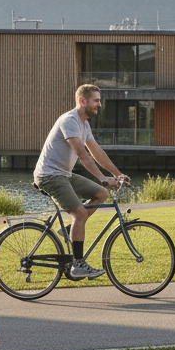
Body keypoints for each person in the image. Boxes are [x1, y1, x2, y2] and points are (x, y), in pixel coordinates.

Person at [33, 84, 130, 280]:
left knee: (101, 194)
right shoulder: (70, 120)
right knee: (79, 213)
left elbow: (96, 152)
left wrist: (117, 174)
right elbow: (82, 154)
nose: (99, 105)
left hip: (64, 175)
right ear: (82, 101)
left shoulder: (84, 124)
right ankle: (78, 265)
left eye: (99, 101)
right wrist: (102, 178)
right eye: (96, 100)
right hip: (49, 175)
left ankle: (70, 230)